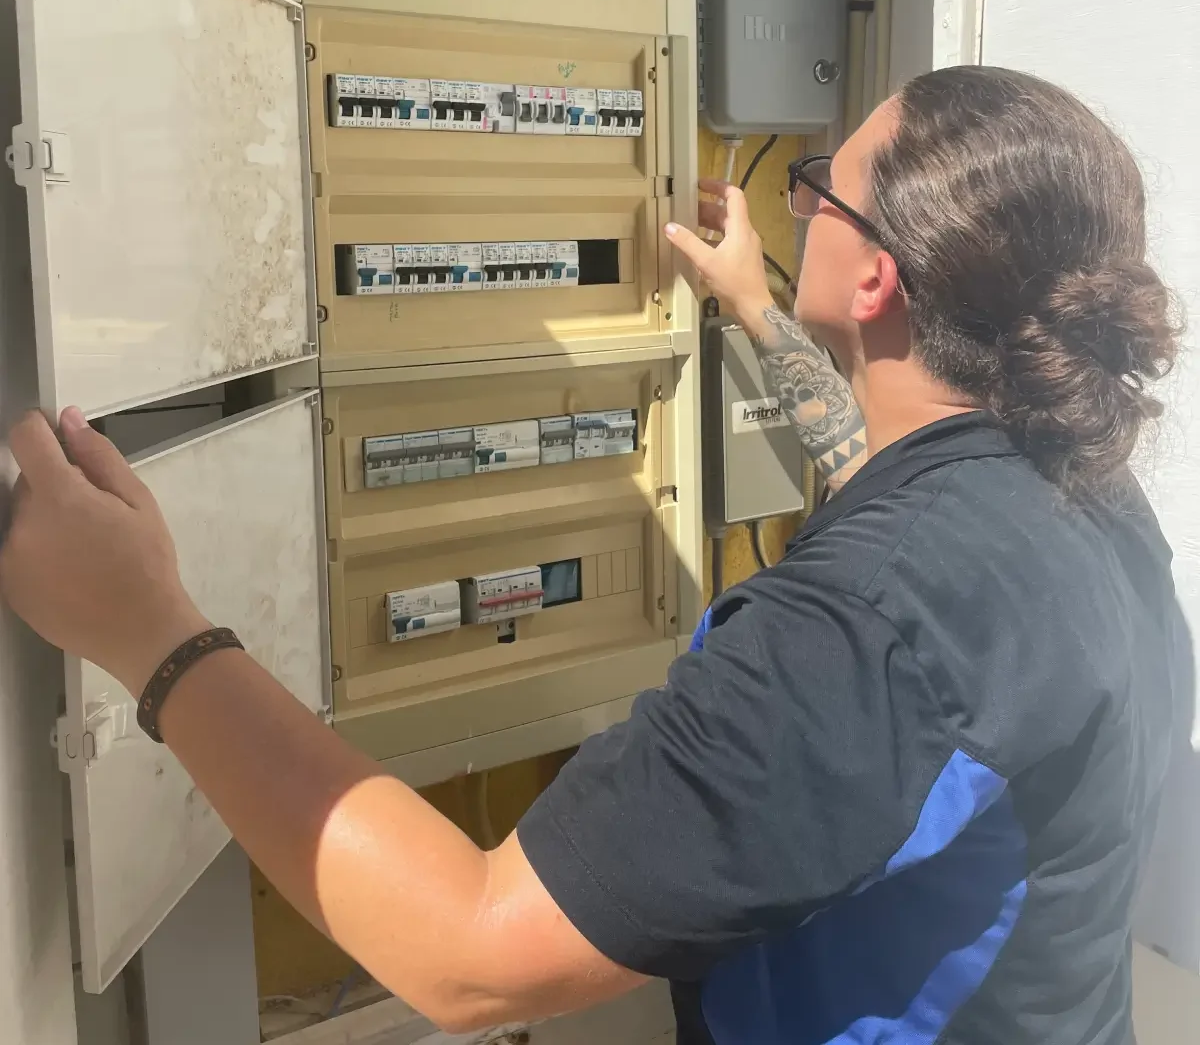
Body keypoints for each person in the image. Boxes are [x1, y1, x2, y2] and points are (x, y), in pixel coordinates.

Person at [0, 67, 1181, 1045]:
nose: (799, 203)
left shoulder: (869, 628)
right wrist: (750, 310)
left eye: (821, 187)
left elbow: (470, 950)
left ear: (875, 277)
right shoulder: (1076, 486)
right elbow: (873, 475)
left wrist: (147, 629)